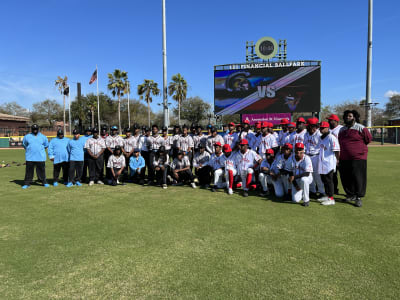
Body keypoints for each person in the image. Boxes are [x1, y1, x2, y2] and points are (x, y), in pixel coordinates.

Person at [338, 110, 372, 207]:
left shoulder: (361, 128)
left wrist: (358, 150)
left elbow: (368, 139)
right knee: (346, 177)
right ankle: (350, 194)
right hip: (344, 158)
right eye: (346, 116)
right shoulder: (342, 129)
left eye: (350, 116)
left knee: (358, 177)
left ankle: (358, 197)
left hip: (358, 157)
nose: (347, 117)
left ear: (354, 117)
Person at [317, 122, 340, 206]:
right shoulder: (320, 138)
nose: (321, 129)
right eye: (320, 128)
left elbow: (337, 150)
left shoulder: (331, 137)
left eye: (323, 128)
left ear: (327, 128)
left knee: (329, 180)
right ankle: (327, 196)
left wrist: (337, 160)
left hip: (329, 162)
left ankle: (331, 199)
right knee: (324, 180)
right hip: (322, 162)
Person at [22, 124, 50, 189]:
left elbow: (46, 145)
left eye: (36, 129)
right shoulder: (27, 136)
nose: (35, 130)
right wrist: (30, 149)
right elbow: (24, 145)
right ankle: (27, 183)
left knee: (42, 171)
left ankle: (44, 182)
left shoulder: (43, 137)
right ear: (31, 129)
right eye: (34, 129)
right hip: (30, 157)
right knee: (29, 171)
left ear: (38, 129)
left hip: (40, 157)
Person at [304, 117, 325, 198]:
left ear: (313, 126)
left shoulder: (320, 135)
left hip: (316, 156)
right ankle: (312, 191)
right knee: (309, 174)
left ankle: (321, 191)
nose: (307, 127)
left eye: (308, 126)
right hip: (307, 156)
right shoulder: (306, 134)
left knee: (317, 175)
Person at [327, 114, 343, 194]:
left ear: (336, 121)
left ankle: (349, 192)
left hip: (341, 154)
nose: (329, 121)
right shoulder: (328, 129)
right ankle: (334, 189)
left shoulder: (341, 129)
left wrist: (338, 158)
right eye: (329, 120)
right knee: (332, 174)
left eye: (330, 120)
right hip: (330, 155)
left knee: (343, 175)